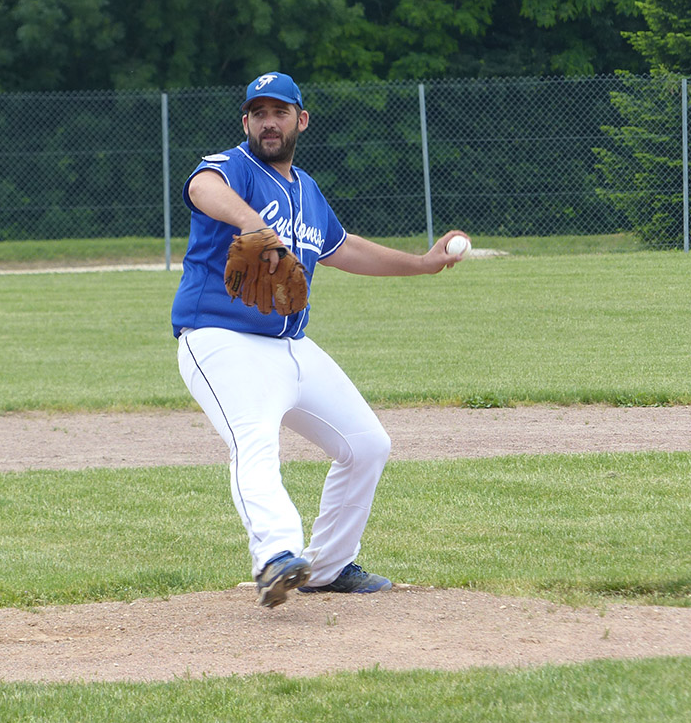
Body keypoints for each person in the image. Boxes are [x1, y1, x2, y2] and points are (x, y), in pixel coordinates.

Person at [171, 71, 469, 608]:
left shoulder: (306, 190)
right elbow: (201, 188)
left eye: (279, 112)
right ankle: (276, 557)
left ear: (301, 120)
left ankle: (327, 568)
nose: (269, 122)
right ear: (245, 122)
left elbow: (342, 247)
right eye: (258, 113)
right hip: (221, 339)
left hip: (291, 346)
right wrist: (252, 223)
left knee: (367, 445)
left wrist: (422, 264)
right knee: (254, 441)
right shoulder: (233, 169)